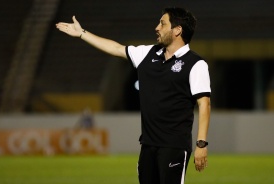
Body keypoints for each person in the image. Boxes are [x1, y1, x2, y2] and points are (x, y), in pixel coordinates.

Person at [56, 7, 211, 184]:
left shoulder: (196, 64)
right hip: (147, 145)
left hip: (174, 147)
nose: (157, 28)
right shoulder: (148, 54)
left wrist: (201, 144)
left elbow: (204, 104)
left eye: (162, 23)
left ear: (177, 30)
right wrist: (82, 33)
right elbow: (115, 48)